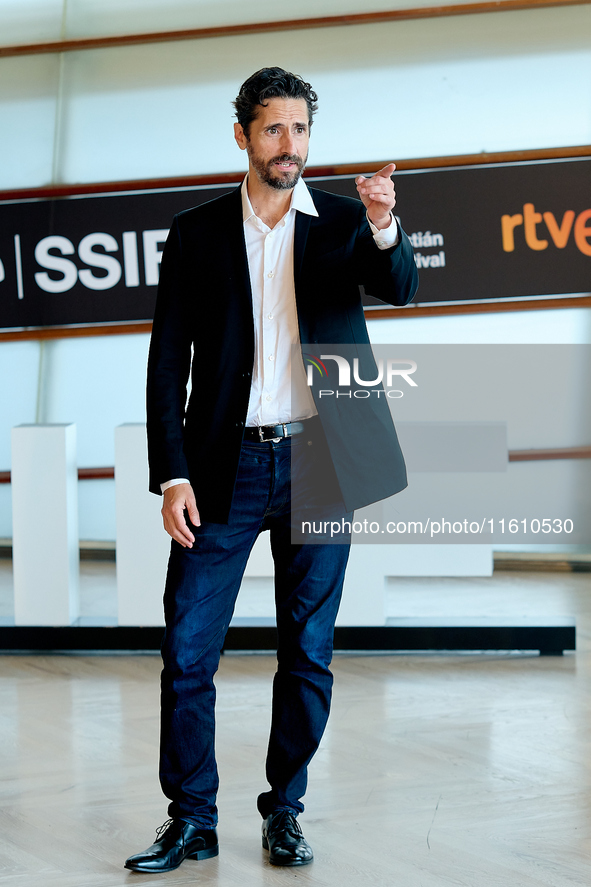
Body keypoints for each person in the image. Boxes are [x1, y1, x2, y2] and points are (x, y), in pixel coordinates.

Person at [124, 66, 418, 874]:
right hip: (221, 467)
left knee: (308, 650)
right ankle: (192, 817)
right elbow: (164, 366)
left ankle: (284, 809)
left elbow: (398, 288)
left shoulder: (337, 226)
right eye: (274, 129)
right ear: (243, 136)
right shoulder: (195, 232)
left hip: (322, 462)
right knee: (187, 648)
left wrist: (385, 222)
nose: (290, 145)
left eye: (300, 129)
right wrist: (171, 475)